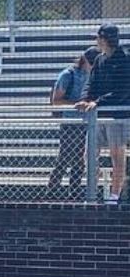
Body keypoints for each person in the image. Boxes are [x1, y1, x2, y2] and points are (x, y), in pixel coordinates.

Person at [78, 23, 130, 204]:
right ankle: (92, 192)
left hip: (117, 117)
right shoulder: (100, 59)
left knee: (117, 156)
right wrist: (85, 98)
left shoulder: (125, 59)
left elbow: (122, 90)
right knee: (89, 155)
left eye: (99, 37)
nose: (97, 40)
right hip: (98, 116)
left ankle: (114, 195)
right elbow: (90, 84)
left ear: (105, 39)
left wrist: (97, 102)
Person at [48, 47, 97, 196]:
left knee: (80, 159)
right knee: (65, 156)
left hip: (86, 122)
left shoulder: (93, 75)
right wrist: (77, 104)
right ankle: (53, 190)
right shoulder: (68, 75)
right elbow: (56, 101)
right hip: (70, 121)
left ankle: (74, 192)